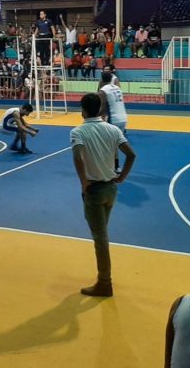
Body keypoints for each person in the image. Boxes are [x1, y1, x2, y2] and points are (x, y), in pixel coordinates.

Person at [70, 93, 136, 297]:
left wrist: (83, 182)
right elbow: (131, 154)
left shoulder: (78, 132)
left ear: (83, 109)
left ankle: (105, 282)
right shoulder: (113, 129)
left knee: (100, 238)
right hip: (111, 189)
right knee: (102, 233)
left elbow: (77, 157)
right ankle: (103, 279)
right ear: (99, 108)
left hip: (94, 190)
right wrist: (122, 176)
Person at [98, 71, 128, 172]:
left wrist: (95, 120)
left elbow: (102, 108)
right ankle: (116, 166)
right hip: (123, 118)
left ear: (102, 79)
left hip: (113, 119)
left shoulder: (103, 90)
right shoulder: (117, 88)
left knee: (106, 143)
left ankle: (109, 167)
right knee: (114, 143)